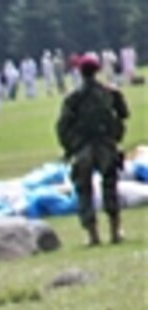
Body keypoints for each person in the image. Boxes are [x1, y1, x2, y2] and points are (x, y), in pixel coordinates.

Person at [56, 52, 130, 246]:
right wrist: (116, 134)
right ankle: (115, 231)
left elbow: (63, 126)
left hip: (83, 148)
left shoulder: (73, 98)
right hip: (106, 144)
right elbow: (123, 114)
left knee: (84, 190)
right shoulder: (110, 93)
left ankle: (93, 235)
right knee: (110, 186)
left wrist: (69, 147)